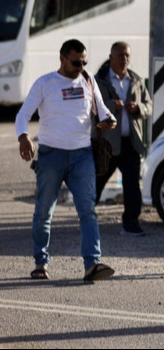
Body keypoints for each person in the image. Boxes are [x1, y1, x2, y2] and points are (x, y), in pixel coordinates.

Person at [16, 39, 118, 283]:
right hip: (52, 155)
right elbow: (23, 114)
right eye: (75, 62)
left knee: (88, 212)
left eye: (84, 62)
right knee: (43, 212)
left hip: (82, 155)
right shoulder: (45, 83)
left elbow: (102, 111)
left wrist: (108, 120)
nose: (80, 66)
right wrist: (24, 137)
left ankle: (92, 263)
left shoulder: (88, 80)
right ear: (62, 58)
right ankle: (41, 262)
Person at [94, 42, 153, 236]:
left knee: (132, 186)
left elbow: (149, 105)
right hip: (107, 143)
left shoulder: (136, 80)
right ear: (111, 57)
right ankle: (86, 217)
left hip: (131, 142)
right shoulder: (99, 81)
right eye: (120, 55)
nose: (124, 58)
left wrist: (139, 108)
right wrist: (111, 105)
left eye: (127, 55)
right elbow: (90, 107)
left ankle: (131, 223)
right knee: (96, 183)